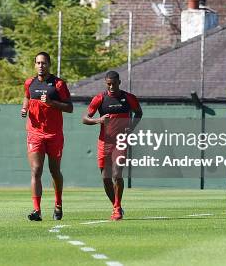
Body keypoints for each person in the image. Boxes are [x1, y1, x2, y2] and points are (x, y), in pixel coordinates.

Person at [83, 71, 142, 220]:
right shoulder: (100, 99)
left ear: (119, 82)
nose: (111, 87)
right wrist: (99, 120)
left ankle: (117, 208)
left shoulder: (129, 98)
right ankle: (116, 206)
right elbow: (85, 118)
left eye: (113, 84)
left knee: (117, 174)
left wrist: (132, 127)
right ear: (105, 83)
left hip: (121, 141)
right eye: (108, 84)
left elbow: (138, 113)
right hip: (104, 142)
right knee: (105, 178)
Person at [21, 52, 73, 221]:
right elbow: (26, 97)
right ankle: (37, 210)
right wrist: (24, 108)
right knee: (36, 170)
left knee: (54, 171)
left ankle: (58, 203)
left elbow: (70, 107)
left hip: (54, 134)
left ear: (49, 64)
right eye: (38, 63)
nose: (40, 65)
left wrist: (52, 103)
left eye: (43, 63)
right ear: (34, 65)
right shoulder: (30, 83)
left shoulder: (58, 84)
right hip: (35, 133)